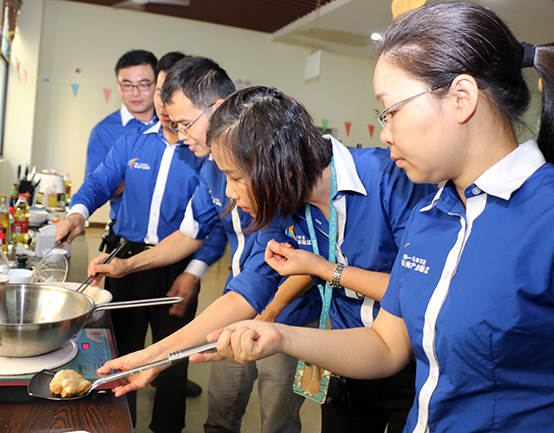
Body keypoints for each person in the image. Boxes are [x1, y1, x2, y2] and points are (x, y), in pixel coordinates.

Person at [196, 2, 554, 432]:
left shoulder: (543, 215)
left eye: (392, 111)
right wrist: (279, 336)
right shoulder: (432, 216)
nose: (384, 133)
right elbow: (386, 346)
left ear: (462, 99)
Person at [89, 56, 321, 433]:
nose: (180, 136)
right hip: (238, 306)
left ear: (216, 108)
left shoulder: (269, 172)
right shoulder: (212, 169)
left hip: (288, 313)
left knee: (277, 418)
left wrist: (158, 355)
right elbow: (189, 235)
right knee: (221, 411)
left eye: (184, 124)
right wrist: (127, 266)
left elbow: (266, 277)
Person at [196, 85, 435, 433]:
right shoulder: (284, 201)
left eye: (234, 177)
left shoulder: (389, 180)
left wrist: (323, 269)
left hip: (412, 365)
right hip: (343, 356)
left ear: (277, 166)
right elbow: (248, 287)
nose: (230, 192)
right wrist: (152, 357)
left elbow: (411, 290)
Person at [56, 51, 209, 433]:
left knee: (172, 357)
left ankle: (166, 428)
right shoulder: (131, 140)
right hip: (124, 259)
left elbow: (208, 227)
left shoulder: (204, 153)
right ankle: (120, 425)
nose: (161, 101)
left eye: (167, 92)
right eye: (158, 91)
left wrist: (192, 272)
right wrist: (78, 212)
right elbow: (98, 183)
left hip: (177, 264)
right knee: (121, 351)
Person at [86, 49, 158, 253]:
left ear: (158, 83)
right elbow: (98, 186)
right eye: (127, 85)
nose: (135, 93)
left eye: (144, 85)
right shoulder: (103, 131)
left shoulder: (174, 127)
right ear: (117, 85)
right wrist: (143, 173)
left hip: (174, 240)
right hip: (125, 239)